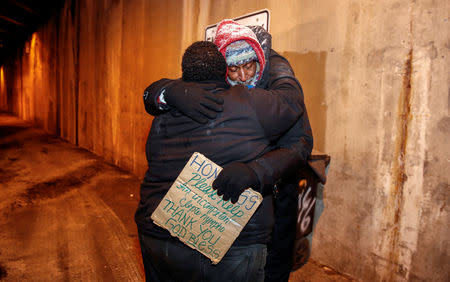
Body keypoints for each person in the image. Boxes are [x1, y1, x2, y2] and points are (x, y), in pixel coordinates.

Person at [143, 19, 313, 282]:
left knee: (275, 266)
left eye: (249, 65)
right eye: (233, 69)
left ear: (260, 60)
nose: (243, 77)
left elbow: (301, 142)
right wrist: (171, 90)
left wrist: (258, 171)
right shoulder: (208, 95)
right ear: (222, 70)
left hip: (278, 198)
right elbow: (161, 92)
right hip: (216, 224)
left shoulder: (273, 93)